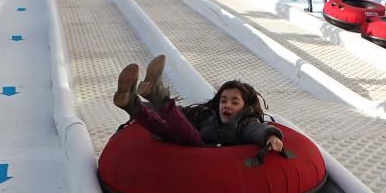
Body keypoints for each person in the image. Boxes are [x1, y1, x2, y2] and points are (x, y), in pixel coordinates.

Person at [112, 55, 283, 150]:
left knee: (191, 136)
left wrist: (271, 135)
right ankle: (131, 104)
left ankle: (157, 94)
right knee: (165, 128)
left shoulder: (245, 123)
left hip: (209, 155)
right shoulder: (210, 116)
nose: (227, 105)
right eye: (223, 100)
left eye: (234, 102)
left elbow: (257, 129)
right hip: (190, 151)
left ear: (245, 107)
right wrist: (148, 110)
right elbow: (180, 114)